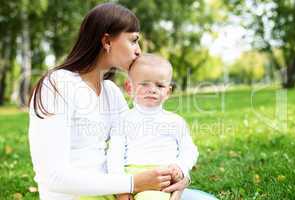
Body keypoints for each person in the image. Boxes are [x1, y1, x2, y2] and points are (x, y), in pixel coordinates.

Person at [28, 2, 217, 200]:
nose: (139, 51)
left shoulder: (111, 91)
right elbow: (52, 176)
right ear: (107, 41)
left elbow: (137, 139)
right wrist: (132, 183)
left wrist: (181, 177)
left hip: (118, 192)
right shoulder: (57, 84)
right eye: (133, 40)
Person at [106, 54, 198, 200]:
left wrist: (180, 167)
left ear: (168, 92)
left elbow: (190, 149)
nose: (152, 89)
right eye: (144, 84)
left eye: (160, 85)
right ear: (129, 87)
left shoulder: (175, 121)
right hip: (128, 176)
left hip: (161, 177)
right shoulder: (122, 120)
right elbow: (114, 156)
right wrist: (120, 187)